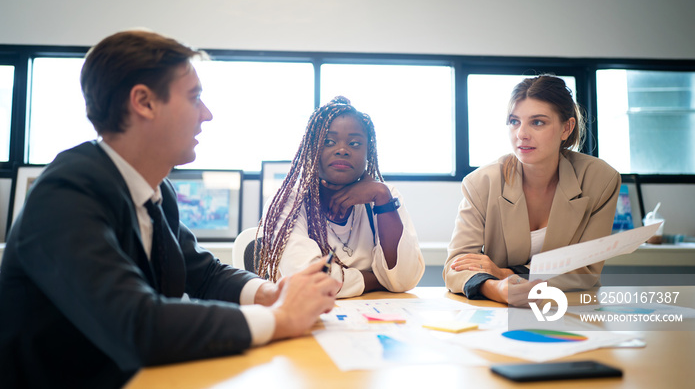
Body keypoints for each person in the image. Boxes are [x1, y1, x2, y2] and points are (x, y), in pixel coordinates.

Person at [0, 29, 341, 388]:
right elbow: (138, 324)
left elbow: (203, 274)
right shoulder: (66, 193)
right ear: (144, 102)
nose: (206, 114)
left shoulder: (154, 188)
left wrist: (269, 293)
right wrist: (280, 319)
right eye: (195, 98)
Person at [443, 75, 621, 306]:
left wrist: (505, 273)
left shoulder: (600, 180)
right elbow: (456, 266)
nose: (521, 134)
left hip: (570, 304)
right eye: (514, 121)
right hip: (497, 308)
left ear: (566, 128)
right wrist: (496, 288)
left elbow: (585, 269)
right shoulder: (481, 183)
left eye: (537, 122)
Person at [257, 96, 425, 298]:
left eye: (355, 143)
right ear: (312, 150)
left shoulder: (385, 197)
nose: (343, 150)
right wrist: (375, 280)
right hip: (308, 318)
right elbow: (311, 283)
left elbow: (405, 280)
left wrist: (382, 198)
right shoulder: (288, 203)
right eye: (328, 142)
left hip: (373, 319)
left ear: (367, 153)